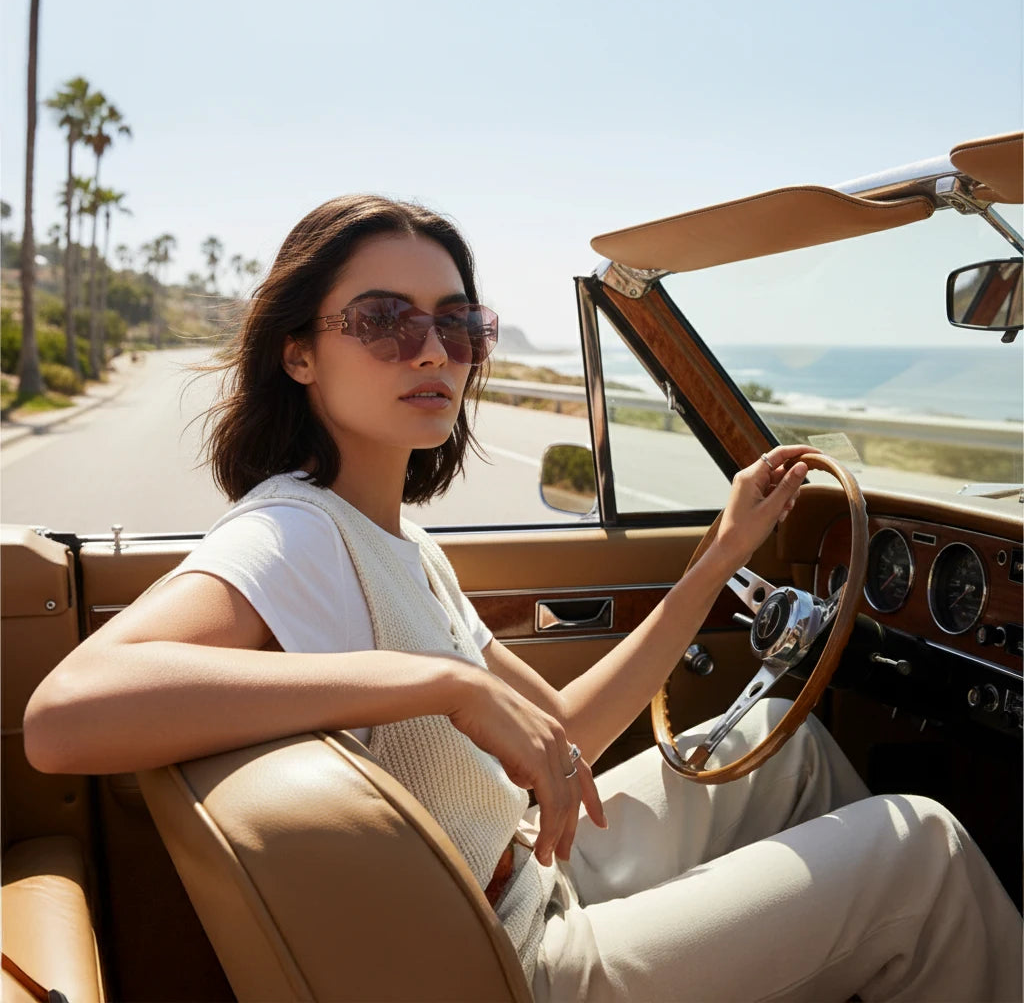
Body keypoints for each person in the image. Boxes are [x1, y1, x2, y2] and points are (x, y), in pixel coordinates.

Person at [25, 195, 1021, 1002]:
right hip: (518, 961)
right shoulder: (292, 537)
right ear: (298, 351)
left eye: (457, 323)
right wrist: (434, 684)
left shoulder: (395, 538)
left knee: (784, 745)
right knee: (923, 853)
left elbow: (560, 734)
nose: (431, 351)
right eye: (383, 320)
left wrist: (718, 555)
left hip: (525, 868)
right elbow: (63, 720)